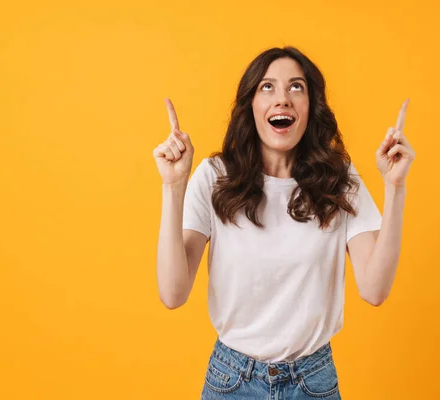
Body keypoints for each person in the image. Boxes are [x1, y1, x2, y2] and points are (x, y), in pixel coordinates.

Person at [152, 46, 415, 399]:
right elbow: (172, 293)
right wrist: (173, 186)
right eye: (267, 87)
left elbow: (374, 289)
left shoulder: (338, 180)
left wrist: (395, 187)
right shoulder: (215, 177)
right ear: (251, 107)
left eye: (296, 87)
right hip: (232, 382)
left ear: (311, 107)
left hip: (313, 381)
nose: (283, 99)